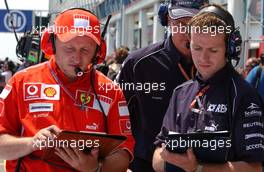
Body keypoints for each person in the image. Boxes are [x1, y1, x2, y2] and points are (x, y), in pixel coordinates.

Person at [0, 8, 134, 172]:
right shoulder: (21, 83)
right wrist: (32, 143)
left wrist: (95, 169)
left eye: (85, 50)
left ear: (98, 52)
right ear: (51, 44)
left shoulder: (110, 91)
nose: (77, 58)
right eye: (69, 48)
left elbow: (123, 152)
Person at [153, 4, 264, 172]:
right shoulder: (180, 93)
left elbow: (254, 168)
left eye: (213, 50)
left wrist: (197, 168)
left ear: (230, 49)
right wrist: (168, 159)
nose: (203, 58)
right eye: (197, 48)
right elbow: (157, 158)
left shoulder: (244, 95)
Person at [116, 0, 208, 171]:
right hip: (143, 166)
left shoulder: (216, 65)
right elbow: (113, 116)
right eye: (181, 24)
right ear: (167, 21)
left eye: (196, 24)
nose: (188, 32)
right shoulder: (138, 64)